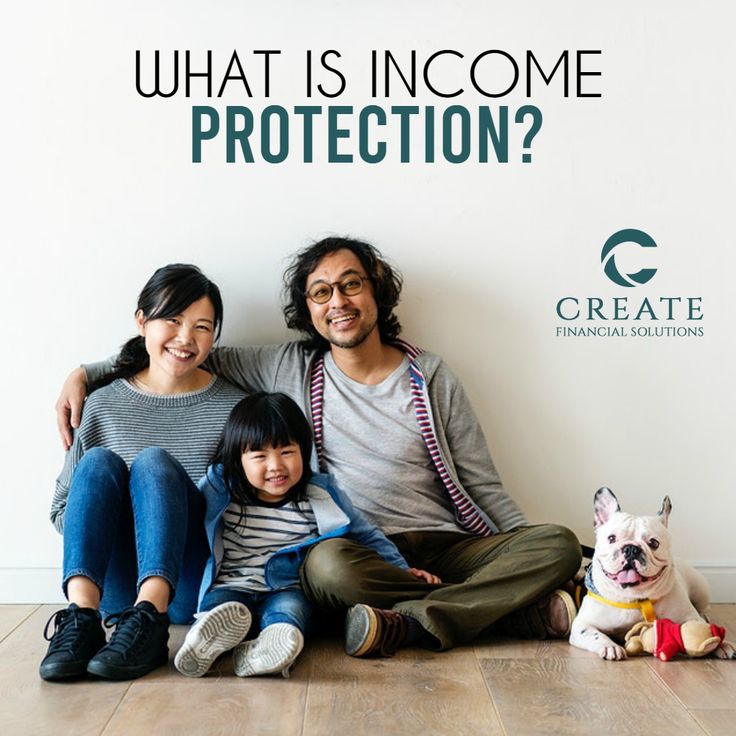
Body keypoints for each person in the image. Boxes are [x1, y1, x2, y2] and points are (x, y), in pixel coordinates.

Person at [57, 237, 582, 657]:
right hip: (347, 552)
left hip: (446, 545)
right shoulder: (286, 368)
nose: (340, 302)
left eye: (351, 285)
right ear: (308, 310)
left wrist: (530, 551)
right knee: (329, 569)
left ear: (376, 292)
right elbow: (176, 354)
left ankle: (417, 623)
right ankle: (502, 613)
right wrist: (88, 373)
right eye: (322, 292)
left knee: (557, 543)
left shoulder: (432, 375)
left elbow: (481, 483)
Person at [40, 264, 245, 682]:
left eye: (202, 327)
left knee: (153, 463)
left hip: (188, 585)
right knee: (98, 463)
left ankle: (151, 617)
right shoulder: (100, 404)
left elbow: (244, 516)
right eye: (173, 320)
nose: (186, 338)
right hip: (112, 591)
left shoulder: (234, 409)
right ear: (142, 322)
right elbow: (62, 510)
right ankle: (79, 619)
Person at [174, 392, 437, 678]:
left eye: (287, 452)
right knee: (223, 606)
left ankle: (273, 645)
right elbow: (186, 529)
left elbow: (367, 534)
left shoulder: (319, 494)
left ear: (304, 450)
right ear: (238, 459)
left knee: (290, 611)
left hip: (290, 587)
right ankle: (205, 639)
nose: (276, 466)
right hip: (234, 584)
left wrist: (400, 571)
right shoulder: (221, 490)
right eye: (260, 456)